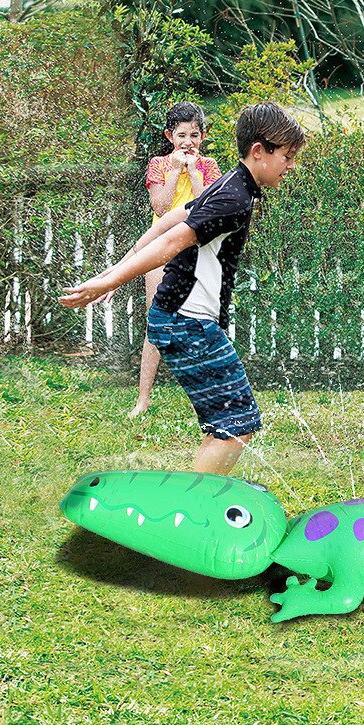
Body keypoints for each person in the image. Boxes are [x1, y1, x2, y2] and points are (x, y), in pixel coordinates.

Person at [59, 102, 305, 476]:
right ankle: (196, 511)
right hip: (186, 321)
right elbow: (173, 240)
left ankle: (197, 501)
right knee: (237, 421)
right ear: (259, 151)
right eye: (286, 157)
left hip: (181, 319)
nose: (290, 166)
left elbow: (170, 218)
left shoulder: (233, 184)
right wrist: (109, 280)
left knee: (230, 422)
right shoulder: (234, 197)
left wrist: (114, 268)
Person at [131, 101, 222, 418]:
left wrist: (194, 172)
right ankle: (143, 399)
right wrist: (174, 171)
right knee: (155, 322)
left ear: (203, 136)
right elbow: (161, 207)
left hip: (196, 248)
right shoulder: (158, 164)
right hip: (160, 248)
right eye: (181, 135)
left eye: (194, 135)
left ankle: (209, 396)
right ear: (170, 136)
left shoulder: (209, 166)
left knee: (202, 320)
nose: (188, 142)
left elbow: (206, 208)